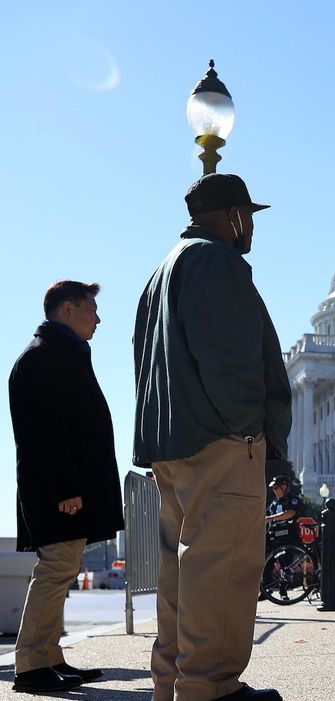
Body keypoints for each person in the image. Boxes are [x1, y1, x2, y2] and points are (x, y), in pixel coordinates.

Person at [133, 173, 292, 701]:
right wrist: (250, 429)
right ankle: (211, 688)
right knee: (223, 566)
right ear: (232, 216)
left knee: (184, 573)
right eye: (249, 217)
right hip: (221, 440)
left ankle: (171, 684)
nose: (252, 230)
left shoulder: (162, 271)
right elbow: (232, 362)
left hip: (172, 445)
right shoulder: (217, 263)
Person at [10, 281, 123, 694]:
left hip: (66, 490)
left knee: (62, 570)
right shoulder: (43, 358)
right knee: (55, 569)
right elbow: (45, 433)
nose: (98, 318)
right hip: (56, 493)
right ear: (69, 309)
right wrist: (65, 489)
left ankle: (49, 657)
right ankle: (29, 665)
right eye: (93, 309)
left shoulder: (61, 355)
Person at [264, 476, 302, 550]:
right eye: (273, 488)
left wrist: (271, 518)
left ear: (284, 487)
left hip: (287, 538)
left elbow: (290, 513)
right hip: (273, 537)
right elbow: (266, 514)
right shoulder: (275, 502)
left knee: (286, 560)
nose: (274, 491)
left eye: (276, 488)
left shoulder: (292, 499)